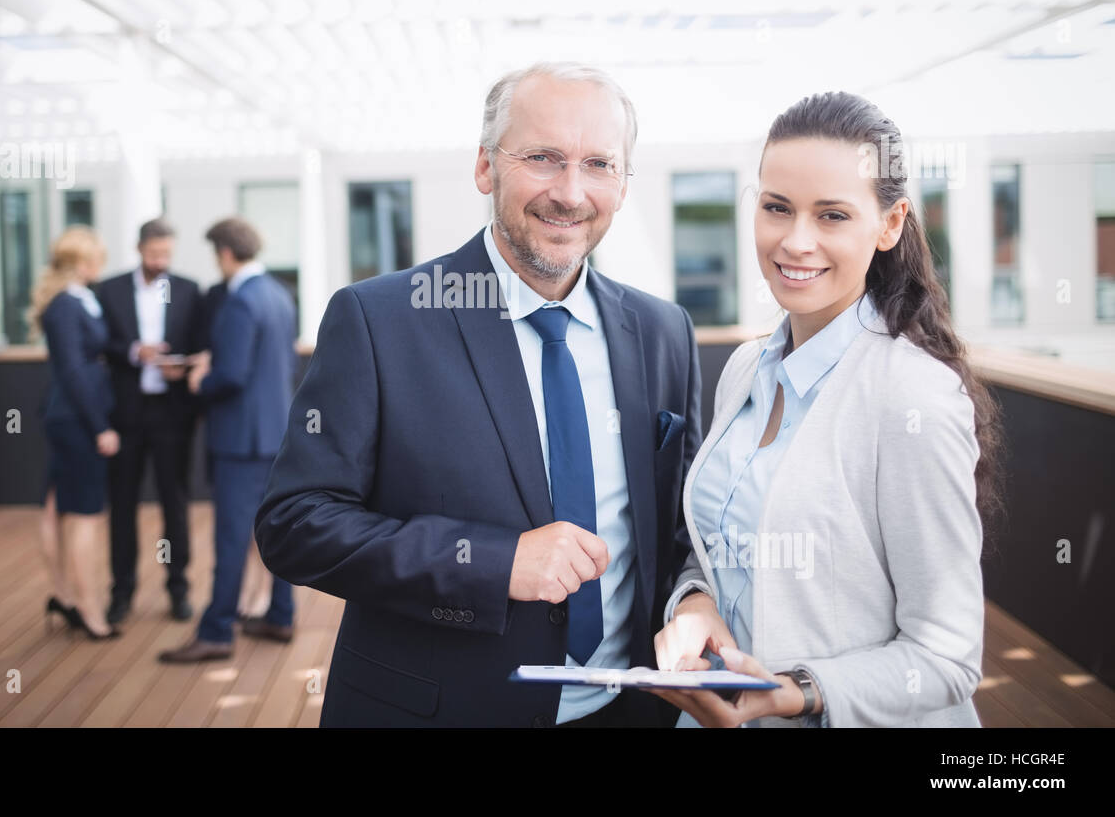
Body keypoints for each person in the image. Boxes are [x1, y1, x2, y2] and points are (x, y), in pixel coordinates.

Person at [256, 62, 704, 727]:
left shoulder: (663, 330)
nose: (571, 192)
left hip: (631, 711)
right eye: (543, 157)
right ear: (485, 168)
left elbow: (682, 525)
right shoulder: (380, 320)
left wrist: (694, 601)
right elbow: (296, 524)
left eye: (599, 164)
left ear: (623, 183)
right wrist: (494, 563)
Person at [649, 91, 1005, 727]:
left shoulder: (912, 397)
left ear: (890, 225)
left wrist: (797, 691)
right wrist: (695, 603)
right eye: (776, 208)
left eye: (832, 215)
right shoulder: (744, 370)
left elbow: (947, 657)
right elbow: (718, 551)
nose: (796, 241)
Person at [158, 218, 297, 662]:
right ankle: (279, 615)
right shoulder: (278, 295)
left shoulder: (238, 301)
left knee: (230, 540)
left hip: (239, 441)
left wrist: (200, 379)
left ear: (224, 253)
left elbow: (232, 377)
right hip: (275, 433)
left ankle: (217, 631)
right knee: (275, 531)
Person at [95, 218, 203, 624]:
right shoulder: (110, 289)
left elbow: (200, 346)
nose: (162, 261)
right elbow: (101, 341)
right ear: (139, 248)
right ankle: (121, 592)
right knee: (122, 503)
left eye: (168, 255)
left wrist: (184, 363)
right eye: (156, 254)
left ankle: (178, 588)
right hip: (125, 412)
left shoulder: (191, 291)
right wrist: (133, 351)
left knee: (174, 502)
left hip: (172, 411)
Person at [29, 225, 121, 641]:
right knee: (84, 515)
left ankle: (63, 596)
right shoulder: (67, 305)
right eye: (97, 255)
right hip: (78, 420)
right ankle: (88, 609)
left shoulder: (76, 299)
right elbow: (71, 370)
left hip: (69, 417)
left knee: (54, 508)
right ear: (83, 261)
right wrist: (100, 426)